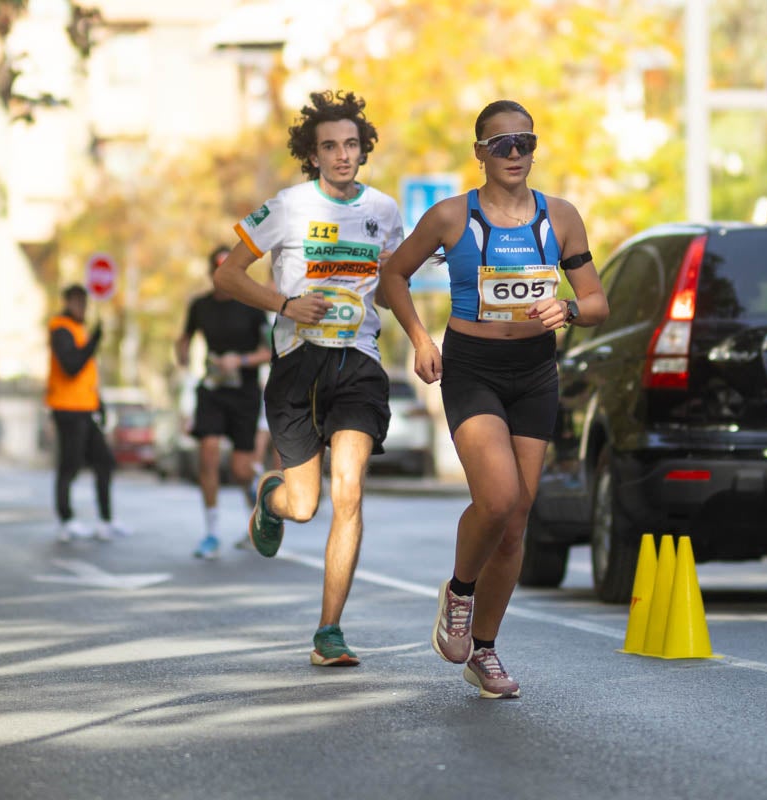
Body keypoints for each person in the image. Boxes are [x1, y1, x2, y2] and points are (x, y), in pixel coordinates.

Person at [379, 100, 608, 699]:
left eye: (523, 143)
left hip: (535, 370)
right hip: (472, 367)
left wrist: (571, 309)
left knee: (517, 522)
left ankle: (484, 649)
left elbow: (597, 301)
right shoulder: (451, 217)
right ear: (479, 151)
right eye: (500, 143)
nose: (513, 154)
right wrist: (421, 339)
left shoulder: (560, 218)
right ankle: (458, 589)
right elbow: (391, 277)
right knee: (499, 498)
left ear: (535, 149)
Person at [214, 89, 403, 667]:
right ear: (313, 154)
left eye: (351, 144)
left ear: (362, 149)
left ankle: (329, 631)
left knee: (349, 491)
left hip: (359, 363)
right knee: (306, 505)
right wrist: (284, 303)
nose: (342, 155)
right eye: (330, 146)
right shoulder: (288, 208)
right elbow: (227, 275)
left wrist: (423, 337)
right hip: (297, 366)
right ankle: (272, 501)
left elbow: (394, 284)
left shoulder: (385, 212)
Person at [175, 245, 272, 559]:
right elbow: (185, 338)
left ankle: (260, 512)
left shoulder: (252, 306)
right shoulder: (200, 306)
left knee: (242, 470)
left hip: (243, 393)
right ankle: (212, 532)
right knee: (208, 451)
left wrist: (240, 360)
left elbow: (270, 351)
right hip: (212, 389)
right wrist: (182, 352)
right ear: (212, 274)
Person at [46, 284, 124, 542]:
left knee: (104, 462)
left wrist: (98, 403)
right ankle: (65, 521)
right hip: (67, 409)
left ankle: (105, 520)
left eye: (84, 302)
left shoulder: (78, 329)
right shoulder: (61, 328)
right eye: (76, 302)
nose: (81, 307)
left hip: (85, 408)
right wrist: (94, 341)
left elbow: (85, 376)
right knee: (70, 465)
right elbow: (71, 366)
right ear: (67, 302)